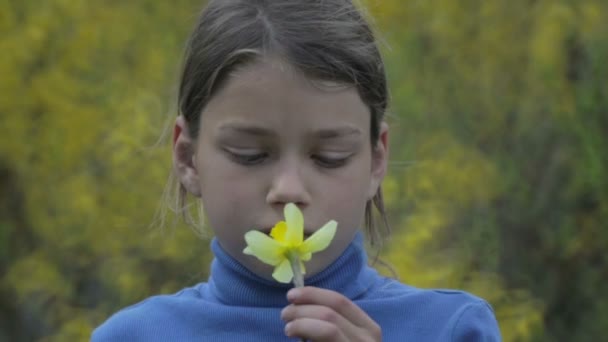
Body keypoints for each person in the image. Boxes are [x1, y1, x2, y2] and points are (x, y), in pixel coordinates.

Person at [92, 0, 501, 341]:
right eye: (249, 154)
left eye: (330, 157)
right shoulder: (134, 335)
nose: (289, 191)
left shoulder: (453, 329)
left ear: (377, 161)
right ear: (187, 158)